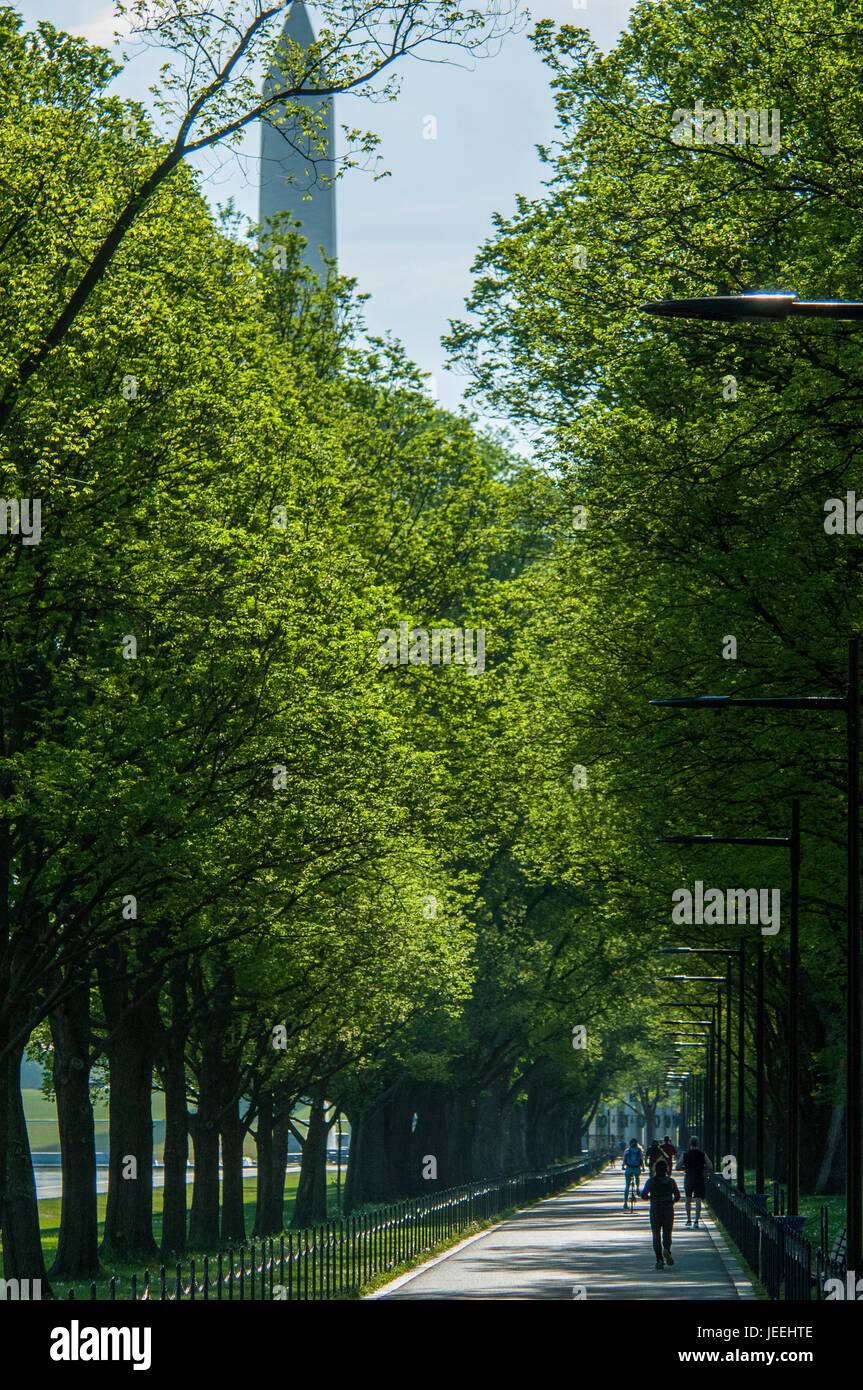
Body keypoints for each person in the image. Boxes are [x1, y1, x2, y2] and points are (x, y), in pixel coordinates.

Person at [640, 1158, 681, 1269]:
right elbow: (677, 1196)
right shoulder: (671, 1181)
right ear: (666, 1170)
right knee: (667, 1232)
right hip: (668, 1209)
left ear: (655, 1169)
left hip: (655, 1209)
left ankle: (659, 1259)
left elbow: (643, 1195)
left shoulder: (651, 1181)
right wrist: (671, 1202)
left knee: (656, 1234)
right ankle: (667, 1249)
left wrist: (649, 1198)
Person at [675, 1135, 711, 1228]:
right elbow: (710, 1166)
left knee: (688, 1199)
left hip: (689, 1178)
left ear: (689, 1144)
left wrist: (685, 1167)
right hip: (699, 1178)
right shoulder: (702, 1154)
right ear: (698, 1144)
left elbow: (677, 1167)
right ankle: (696, 1221)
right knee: (698, 1199)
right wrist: (703, 1168)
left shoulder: (685, 1155)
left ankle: (688, 1219)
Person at [622, 1138, 644, 1206]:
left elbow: (624, 1160)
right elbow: (641, 1160)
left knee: (627, 1186)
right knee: (637, 1177)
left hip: (629, 1168)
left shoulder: (627, 1151)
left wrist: (623, 1166)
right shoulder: (639, 1150)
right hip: (637, 1168)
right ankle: (637, 1188)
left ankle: (625, 1203)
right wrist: (643, 1168)